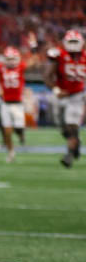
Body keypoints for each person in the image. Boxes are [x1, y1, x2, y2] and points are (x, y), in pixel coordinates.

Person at [44, 29, 85, 168]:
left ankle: (69, 155)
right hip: (61, 96)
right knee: (64, 129)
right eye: (71, 41)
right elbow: (47, 76)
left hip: (78, 96)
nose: (73, 45)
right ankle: (76, 142)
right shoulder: (59, 55)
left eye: (75, 42)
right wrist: (56, 90)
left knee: (72, 126)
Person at [0, 47, 26, 162]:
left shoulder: (20, 67)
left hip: (18, 103)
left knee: (18, 128)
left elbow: (33, 61)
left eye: (12, 59)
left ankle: (21, 135)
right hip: (5, 103)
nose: (10, 61)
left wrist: (33, 46)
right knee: (7, 131)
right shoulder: (1, 68)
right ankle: (11, 152)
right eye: (8, 59)